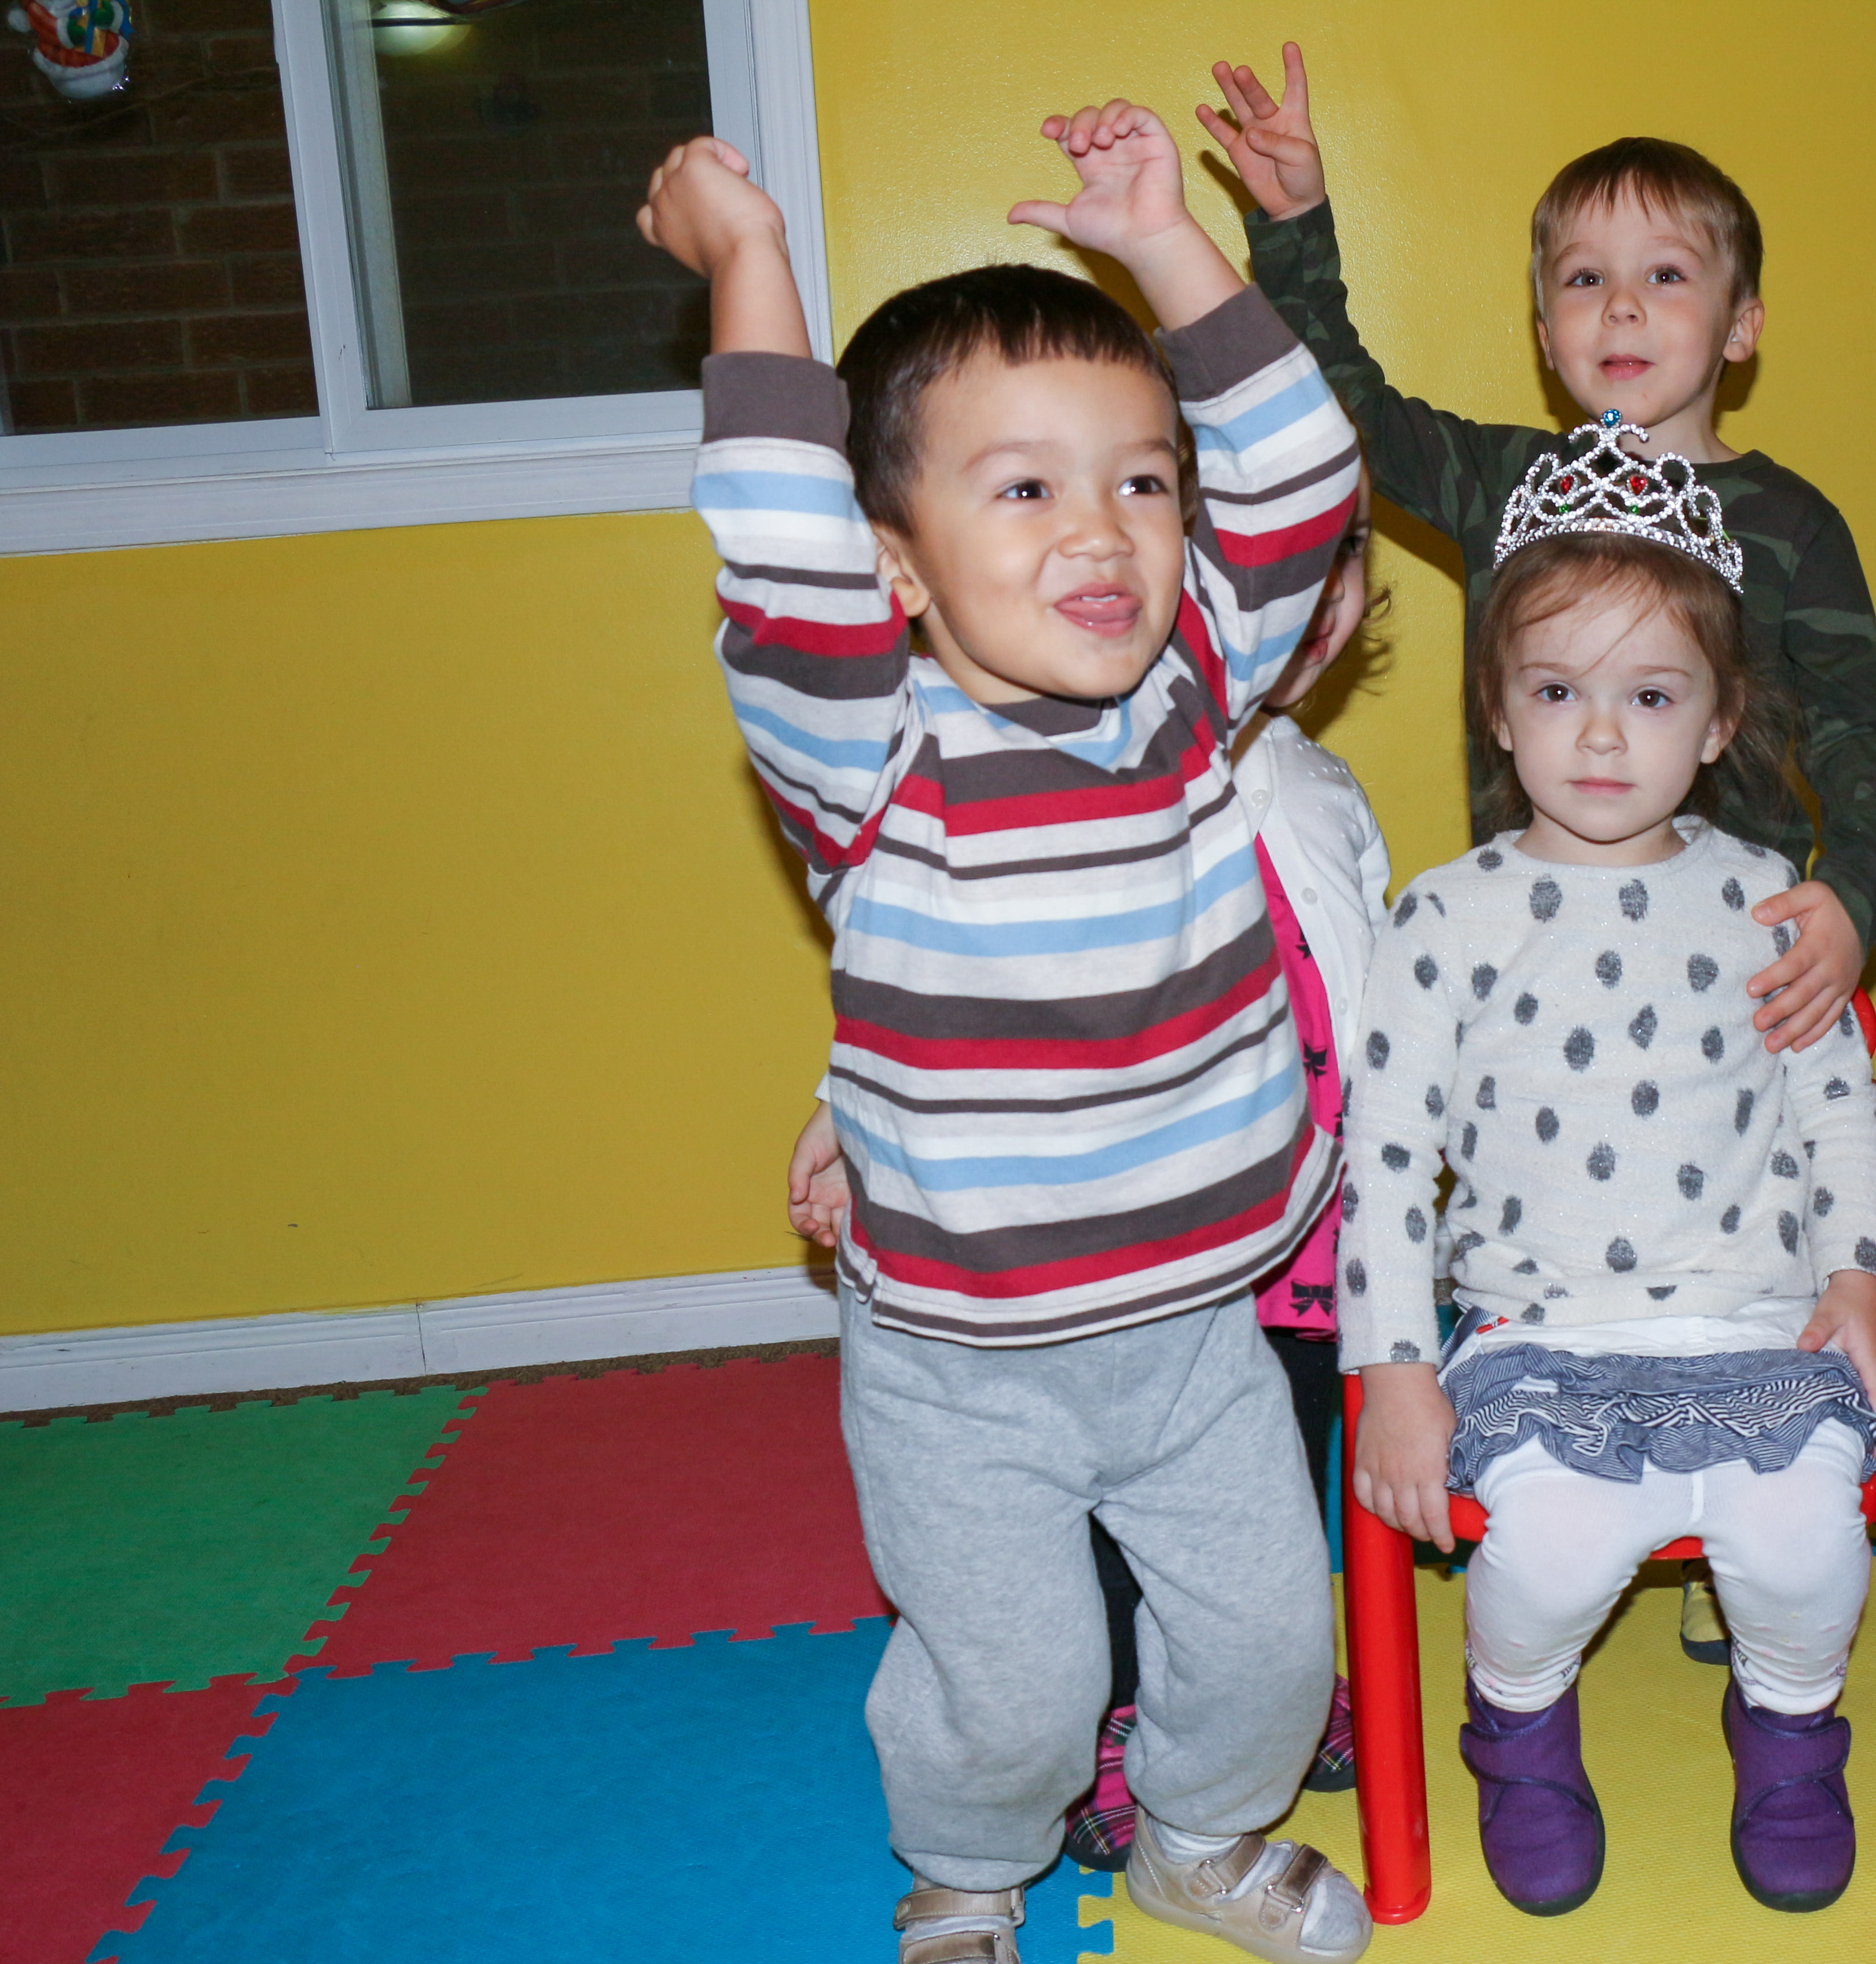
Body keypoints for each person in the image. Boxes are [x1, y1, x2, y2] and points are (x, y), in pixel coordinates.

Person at [639, 100, 1375, 1964]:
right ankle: (968, 1866)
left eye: (1142, 482)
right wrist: (750, 266)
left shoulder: (1194, 701)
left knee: (1270, 1638)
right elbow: (780, 546)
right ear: (897, 565)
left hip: (1200, 1330)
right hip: (963, 1365)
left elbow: (1302, 478)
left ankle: (1196, 1840)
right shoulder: (873, 762)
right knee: (1018, 1679)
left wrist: (1168, 244)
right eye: (1025, 491)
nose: (1104, 530)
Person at [1203, 42, 1876, 1664]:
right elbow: (1346, 411)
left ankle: (1750, 1487)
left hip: (1733, 994)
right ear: (1542, 324)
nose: (1620, 307)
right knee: (1537, 1246)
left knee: (1756, 1240)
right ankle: (1558, 1444)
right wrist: (1296, 227)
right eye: (1583, 278)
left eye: (1665, 276)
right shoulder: (1509, 481)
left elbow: (1865, 738)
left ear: (1740, 324)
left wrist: (1851, 905)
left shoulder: (1791, 521)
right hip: (1530, 992)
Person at [1337, 420, 1876, 1919]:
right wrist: (1394, 1369)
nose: (1600, 737)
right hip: (1539, 1329)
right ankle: (1519, 1733)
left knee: (1808, 1543)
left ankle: (1790, 1731)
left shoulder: (1767, 899)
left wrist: (1857, 1279)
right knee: (1549, 1552)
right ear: (1498, 711)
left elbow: (1838, 1110)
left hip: (1753, 1316)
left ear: (1718, 721)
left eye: (1649, 696)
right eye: (1557, 692)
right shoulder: (1443, 915)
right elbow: (1381, 1156)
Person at [788, 493, 1393, 1872]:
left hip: (1291, 1208)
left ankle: (1232, 1694)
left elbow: (1377, 981)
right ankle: (1110, 1709)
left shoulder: (1321, 784)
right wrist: (837, 1100)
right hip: (1105, 1231)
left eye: (1339, 567)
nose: (1311, 598)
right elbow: (950, 986)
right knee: (1091, 1508)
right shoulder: (1090, 771)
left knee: (1256, 1488)